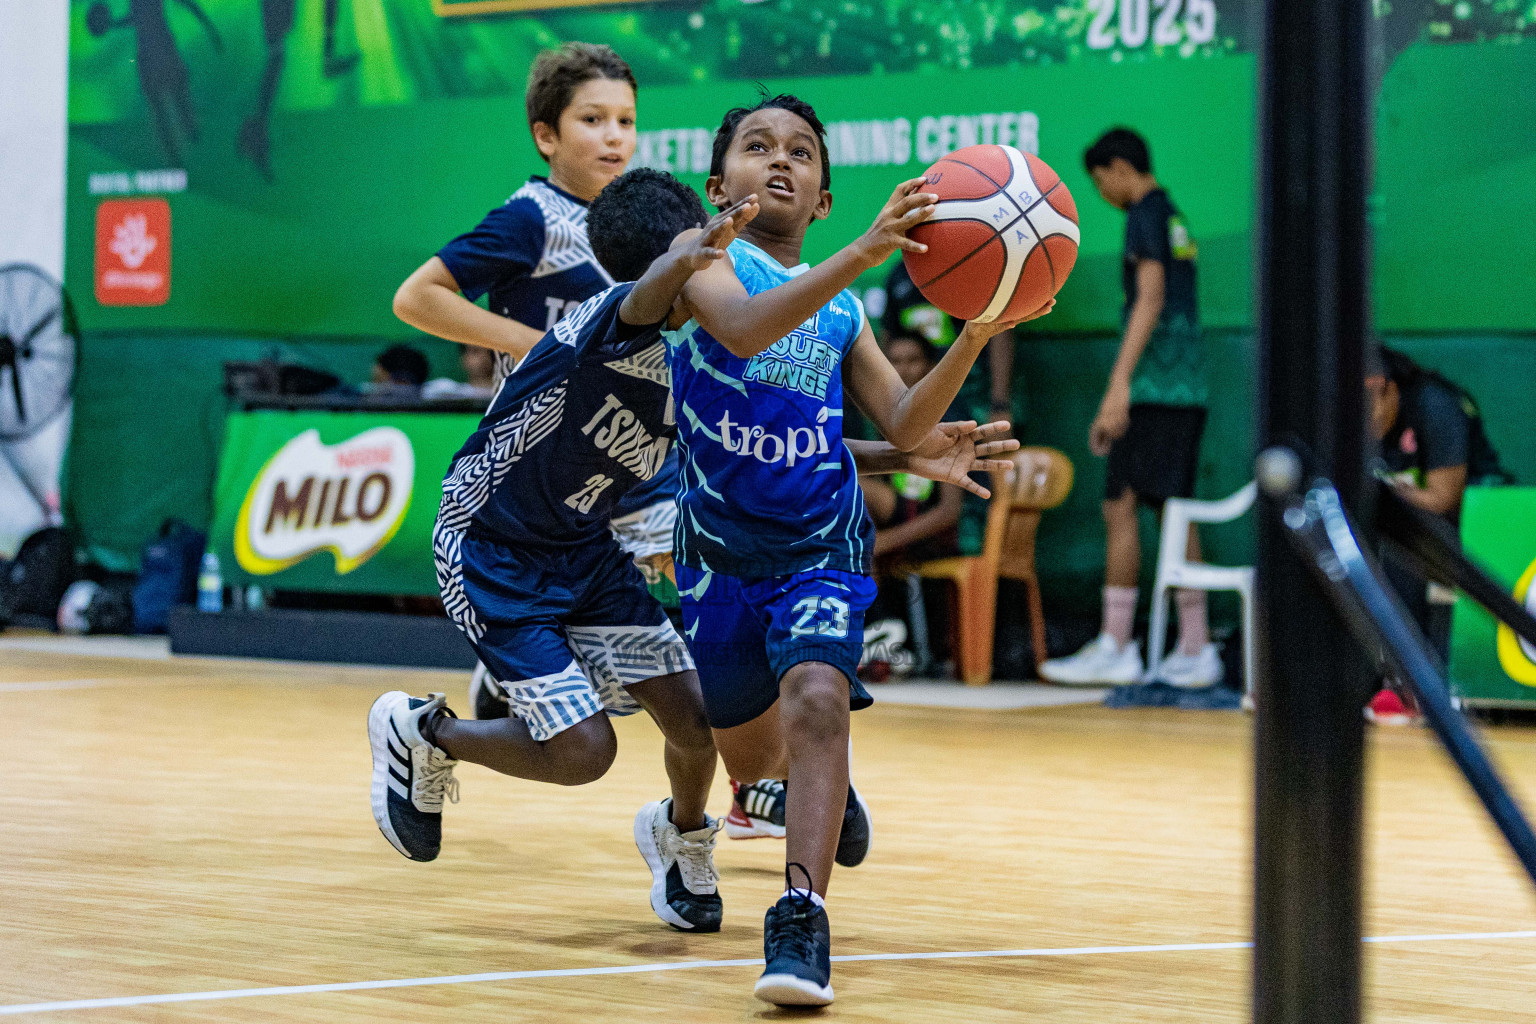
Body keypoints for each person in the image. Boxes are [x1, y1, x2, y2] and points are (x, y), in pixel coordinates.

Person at [367, 169, 1024, 938]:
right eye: (710, 261)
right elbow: (657, 294)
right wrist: (702, 255)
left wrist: (908, 457)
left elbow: (787, 442)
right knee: (585, 752)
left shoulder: (704, 351)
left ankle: (680, 836)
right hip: (489, 545)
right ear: (696, 259)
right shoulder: (618, 315)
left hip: (584, 550)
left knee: (698, 718)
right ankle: (424, 733)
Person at [663, 93, 1050, 1006]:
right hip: (716, 553)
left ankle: (801, 917)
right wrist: (869, 252)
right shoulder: (700, 260)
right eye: (758, 147)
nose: (780, 160)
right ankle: (789, 793)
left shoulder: (843, 314)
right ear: (719, 185)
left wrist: (975, 332)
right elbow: (745, 328)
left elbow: (906, 423)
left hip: (820, 546)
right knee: (750, 758)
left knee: (818, 698)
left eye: (801, 152)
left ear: (824, 199)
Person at [390, 43, 680, 714]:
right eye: (592, 120)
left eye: (626, 121)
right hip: (537, 461)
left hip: (624, 456)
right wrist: (541, 346)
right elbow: (416, 297)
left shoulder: (643, 231)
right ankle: (504, 682)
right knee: (617, 676)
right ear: (546, 135)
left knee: (660, 672)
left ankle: (516, 679)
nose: (614, 136)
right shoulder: (534, 219)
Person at [1040, 127, 1219, 689]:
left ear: (1119, 168)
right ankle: (1195, 646)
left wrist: (1118, 385)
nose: (1102, 193)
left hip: (1154, 390)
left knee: (1120, 508)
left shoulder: (1144, 214)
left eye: (1100, 181)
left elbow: (1151, 296)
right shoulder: (1172, 215)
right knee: (1173, 510)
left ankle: (1118, 645)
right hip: (1184, 390)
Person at [1365, 346, 1512, 723]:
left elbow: (1443, 497)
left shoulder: (1436, 405)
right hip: (1419, 519)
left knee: (1401, 542)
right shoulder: (1353, 419)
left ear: (1384, 386)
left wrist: (1377, 498)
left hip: (1480, 526)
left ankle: (1409, 687)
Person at [421, 344, 498, 401]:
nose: (484, 357)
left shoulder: (503, 395)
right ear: (463, 358)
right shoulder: (446, 390)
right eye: (475, 351)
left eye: (490, 352)